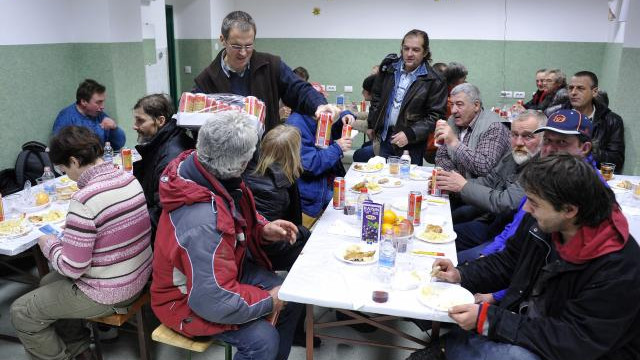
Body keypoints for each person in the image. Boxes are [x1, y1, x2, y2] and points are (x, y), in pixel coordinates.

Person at [409, 154, 640, 360]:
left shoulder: (619, 266)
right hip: (534, 322)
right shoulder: (544, 221)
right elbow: (508, 261)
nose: (527, 209)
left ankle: (447, 350)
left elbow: (576, 341)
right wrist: (461, 273)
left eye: (535, 203)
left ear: (569, 210)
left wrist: (491, 320)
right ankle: (447, 349)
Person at [151, 110, 303, 360]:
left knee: (291, 294)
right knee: (263, 340)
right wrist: (267, 301)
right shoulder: (202, 222)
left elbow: (233, 214)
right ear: (242, 163)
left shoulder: (206, 169)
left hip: (223, 270)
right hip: (183, 299)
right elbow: (212, 299)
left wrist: (261, 229)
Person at [11, 126, 152, 360]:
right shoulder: (127, 178)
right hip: (138, 275)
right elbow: (112, 229)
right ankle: (79, 350)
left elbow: (72, 268)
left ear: (75, 161)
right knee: (47, 281)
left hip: (112, 290)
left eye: (63, 168)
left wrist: (48, 244)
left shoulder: (84, 199)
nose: (65, 175)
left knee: (22, 311)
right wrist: (77, 233)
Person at [464, 109, 599, 303]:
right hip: (511, 260)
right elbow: (516, 233)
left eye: (562, 142)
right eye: (549, 141)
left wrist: (496, 298)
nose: (551, 149)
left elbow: (545, 275)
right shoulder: (546, 175)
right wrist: (487, 254)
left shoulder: (587, 194)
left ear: (584, 148)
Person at [193, 11, 339, 133]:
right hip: (227, 161)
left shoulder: (271, 65)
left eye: (248, 45)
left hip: (266, 157)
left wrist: (319, 105)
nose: (243, 53)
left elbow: (298, 88)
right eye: (236, 46)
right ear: (222, 40)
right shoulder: (206, 80)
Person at [436, 110, 546, 258]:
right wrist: (451, 183)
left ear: (543, 138)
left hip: (508, 238)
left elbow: (506, 203)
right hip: (492, 223)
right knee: (440, 238)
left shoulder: (540, 168)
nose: (519, 142)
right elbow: (490, 181)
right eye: (514, 135)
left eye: (528, 136)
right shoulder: (514, 155)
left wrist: (463, 186)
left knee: (459, 261)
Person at [364, 29, 448, 165]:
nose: (409, 54)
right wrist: (372, 124)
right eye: (406, 48)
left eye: (415, 50)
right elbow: (377, 97)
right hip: (385, 138)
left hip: (412, 143)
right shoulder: (388, 69)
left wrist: (410, 134)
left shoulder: (435, 80)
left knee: (407, 183)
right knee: (383, 181)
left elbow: (436, 116)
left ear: (425, 52)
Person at [243, 124, 309, 271]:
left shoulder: (252, 167)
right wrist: (303, 234)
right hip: (263, 254)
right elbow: (271, 242)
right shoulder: (274, 190)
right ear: (293, 154)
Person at [132, 94, 195, 243]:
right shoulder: (165, 141)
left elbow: (163, 211)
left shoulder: (170, 157)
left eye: (140, 120)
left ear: (160, 121)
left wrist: (133, 227)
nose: (134, 126)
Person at [287, 109, 352, 227]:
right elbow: (310, 165)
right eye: (318, 90)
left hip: (326, 188)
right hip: (311, 200)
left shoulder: (315, 115)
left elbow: (324, 143)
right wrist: (338, 148)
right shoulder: (296, 123)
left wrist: (345, 117)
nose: (323, 91)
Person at [434, 83, 511, 179]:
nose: (453, 110)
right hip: (457, 189)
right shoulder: (452, 121)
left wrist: (455, 143)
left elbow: (485, 167)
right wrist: (454, 178)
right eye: (451, 104)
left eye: (459, 104)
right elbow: (441, 157)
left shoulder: (495, 126)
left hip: (487, 191)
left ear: (476, 105)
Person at [562, 71, 625, 172]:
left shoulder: (612, 120)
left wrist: (584, 151)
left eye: (580, 88)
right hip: (560, 173)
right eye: (570, 88)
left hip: (593, 177)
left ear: (594, 92)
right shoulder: (558, 115)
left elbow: (616, 161)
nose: (573, 92)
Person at [53, 79, 126, 150]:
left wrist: (114, 128)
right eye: (98, 102)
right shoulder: (66, 117)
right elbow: (59, 148)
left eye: (103, 102)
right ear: (84, 101)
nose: (102, 107)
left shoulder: (99, 115)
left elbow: (118, 145)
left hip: (101, 159)